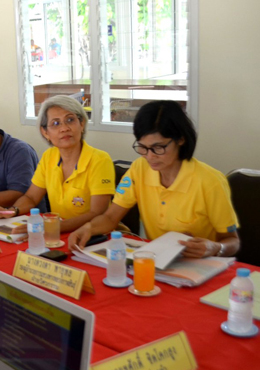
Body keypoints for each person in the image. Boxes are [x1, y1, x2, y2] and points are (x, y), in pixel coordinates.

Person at [69, 100, 240, 258]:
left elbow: (232, 241)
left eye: (158, 147)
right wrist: (88, 228)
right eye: (143, 147)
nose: (150, 156)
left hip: (200, 264)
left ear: (180, 139)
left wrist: (215, 248)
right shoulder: (139, 169)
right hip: (157, 261)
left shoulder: (210, 181)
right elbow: (110, 218)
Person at [0, 95, 115, 232]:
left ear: (82, 124)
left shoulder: (100, 159)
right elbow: (31, 197)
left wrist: (53, 227)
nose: (64, 128)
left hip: (92, 235)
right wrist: (11, 211)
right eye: (56, 123)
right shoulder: (49, 157)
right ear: (45, 132)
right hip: (58, 233)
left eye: (70, 120)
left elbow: (97, 214)